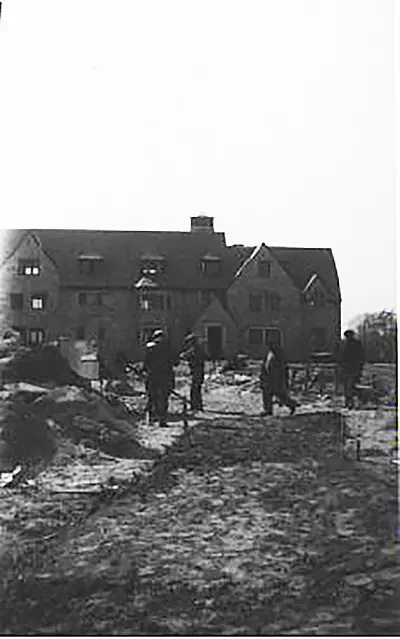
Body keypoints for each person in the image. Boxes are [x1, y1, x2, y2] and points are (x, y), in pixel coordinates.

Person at [143, 329, 175, 427]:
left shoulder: (150, 348)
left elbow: (146, 363)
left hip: (153, 376)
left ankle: (151, 418)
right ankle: (162, 420)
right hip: (165, 376)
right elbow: (174, 362)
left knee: (152, 398)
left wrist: (144, 371)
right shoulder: (167, 348)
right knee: (164, 398)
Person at [259, 341, 297, 416]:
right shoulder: (269, 354)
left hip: (276, 379)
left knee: (280, 395)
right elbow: (265, 366)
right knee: (267, 394)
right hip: (268, 378)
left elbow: (283, 369)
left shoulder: (279, 356)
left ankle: (292, 405)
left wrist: (283, 380)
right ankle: (268, 410)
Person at [339, 329, 365, 409]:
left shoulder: (354, 344)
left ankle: (351, 403)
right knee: (348, 387)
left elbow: (360, 357)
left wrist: (359, 368)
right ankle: (349, 403)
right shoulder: (347, 344)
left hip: (352, 368)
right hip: (349, 368)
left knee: (349, 387)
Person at [181, 333, 206, 412]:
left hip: (197, 371)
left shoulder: (196, 350)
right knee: (196, 388)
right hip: (198, 371)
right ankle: (197, 405)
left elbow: (186, 356)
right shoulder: (197, 349)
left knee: (195, 389)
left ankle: (196, 406)